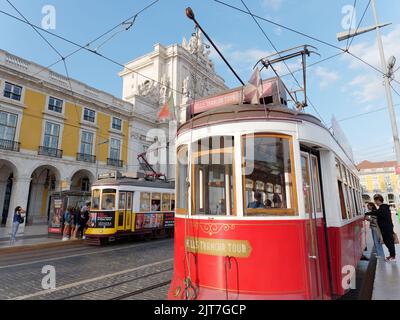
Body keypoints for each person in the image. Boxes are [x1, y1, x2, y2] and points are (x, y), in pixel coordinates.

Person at [374, 195, 396, 262]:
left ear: (378, 200)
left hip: (387, 228)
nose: (375, 202)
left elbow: (377, 213)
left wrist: (367, 213)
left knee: (389, 242)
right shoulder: (382, 207)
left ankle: (393, 256)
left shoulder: (383, 208)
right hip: (385, 228)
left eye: (376, 201)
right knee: (387, 242)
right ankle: (391, 255)